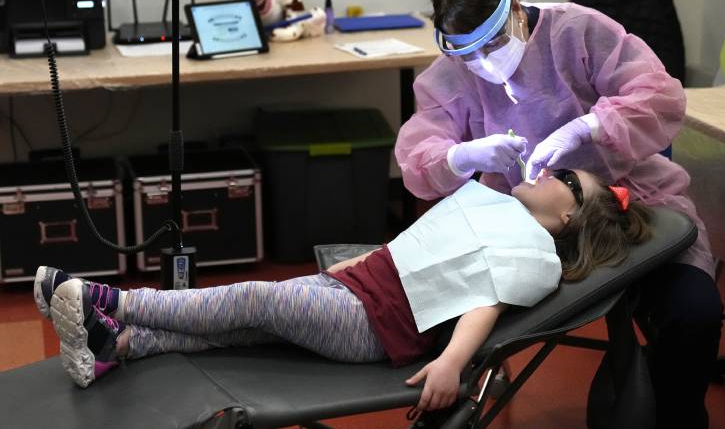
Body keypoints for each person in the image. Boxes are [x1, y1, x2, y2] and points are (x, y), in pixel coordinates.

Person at [395, 0, 723, 427]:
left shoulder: (579, 32)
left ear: (516, 7)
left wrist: (588, 127)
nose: (483, 65)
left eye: (491, 46)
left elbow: (661, 98)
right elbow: (419, 156)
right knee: (445, 321)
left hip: (630, 208)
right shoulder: (456, 74)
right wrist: (461, 156)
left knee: (693, 313)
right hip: (523, 229)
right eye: (468, 56)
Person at [37, 168, 650, 414]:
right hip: (363, 288)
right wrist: (375, 256)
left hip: (372, 324)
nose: (551, 170)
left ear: (571, 218)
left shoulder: (537, 255)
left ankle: (111, 302)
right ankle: (119, 344)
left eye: (568, 179)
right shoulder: (501, 210)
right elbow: (434, 247)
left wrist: (452, 365)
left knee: (253, 300)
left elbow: (484, 299)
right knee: (246, 327)